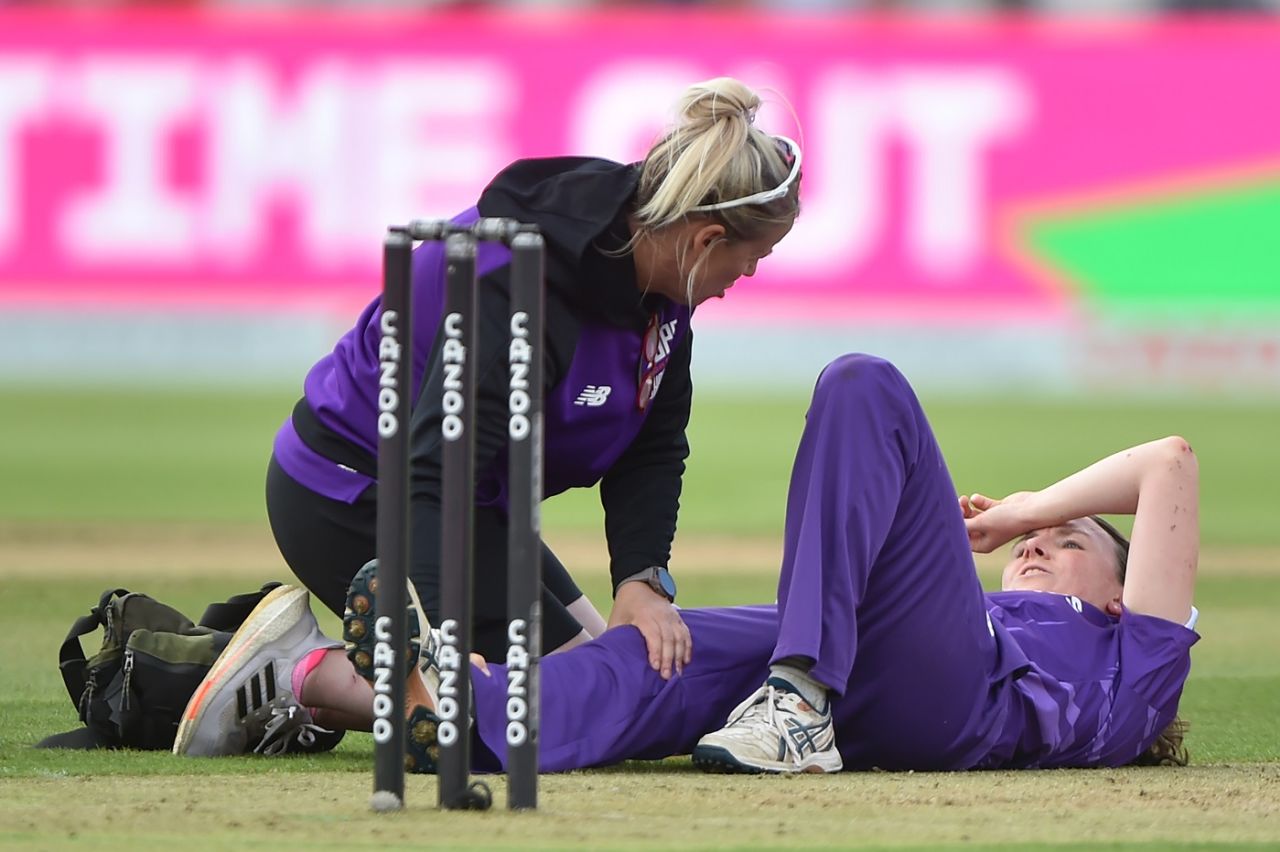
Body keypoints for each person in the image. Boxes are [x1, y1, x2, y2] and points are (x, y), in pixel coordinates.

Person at [177, 354, 1199, 772]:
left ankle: (796, 705)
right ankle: (366, 695)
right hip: (876, 667)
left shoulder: (1135, 666)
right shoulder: (984, 612)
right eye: (1039, 534)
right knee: (652, 648)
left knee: (864, 386)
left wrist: (1027, 501)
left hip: (956, 699)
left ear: (1120, 597)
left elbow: (1168, 461)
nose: (1038, 543)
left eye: (1070, 548)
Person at [264, 76, 802, 678]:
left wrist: (642, 579)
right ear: (707, 239)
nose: (750, 272)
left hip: (473, 503)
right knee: (580, 696)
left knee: (623, 670)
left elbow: (653, 443)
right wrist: (445, 632)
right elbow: (434, 469)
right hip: (357, 494)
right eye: (755, 256)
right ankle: (297, 673)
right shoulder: (521, 288)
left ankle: (327, 670)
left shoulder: (663, 267)